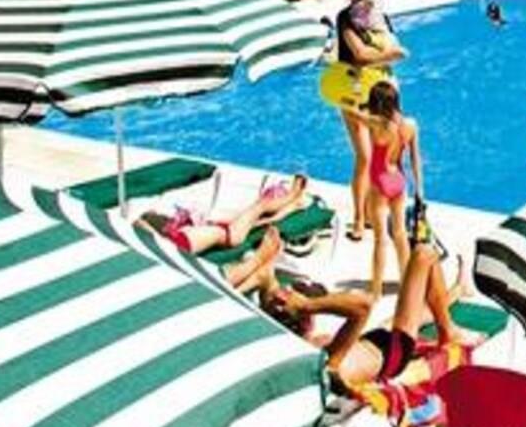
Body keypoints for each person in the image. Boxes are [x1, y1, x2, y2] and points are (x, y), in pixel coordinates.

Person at [261, 243, 477, 397]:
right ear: (304, 321)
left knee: (423, 313)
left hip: (371, 342)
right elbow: (363, 305)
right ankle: (448, 331)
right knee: (424, 253)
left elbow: (268, 290)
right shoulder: (323, 361)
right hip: (393, 353)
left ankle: (459, 290)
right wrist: (306, 305)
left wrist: (268, 268)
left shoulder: (305, 348)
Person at [322, 0, 404, 242]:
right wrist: (390, 54)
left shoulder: (381, 17)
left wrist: (388, 54)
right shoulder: (345, 18)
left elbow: (389, 47)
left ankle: (372, 212)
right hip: (353, 91)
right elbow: (360, 54)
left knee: (384, 156)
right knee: (365, 157)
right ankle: (358, 218)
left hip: (381, 91)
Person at [340, 80, 422, 301]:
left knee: (380, 240)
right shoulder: (410, 125)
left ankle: (375, 290)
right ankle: (407, 283)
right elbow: (416, 159)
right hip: (399, 181)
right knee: (400, 234)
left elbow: (350, 113)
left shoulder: (377, 124)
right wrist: (419, 189)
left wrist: (353, 92)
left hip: (380, 182)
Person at [136, 174, 309, 259]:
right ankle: (286, 200)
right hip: (182, 240)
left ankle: (285, 207)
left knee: (244, 216)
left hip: (182, 236)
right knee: (259, 206)